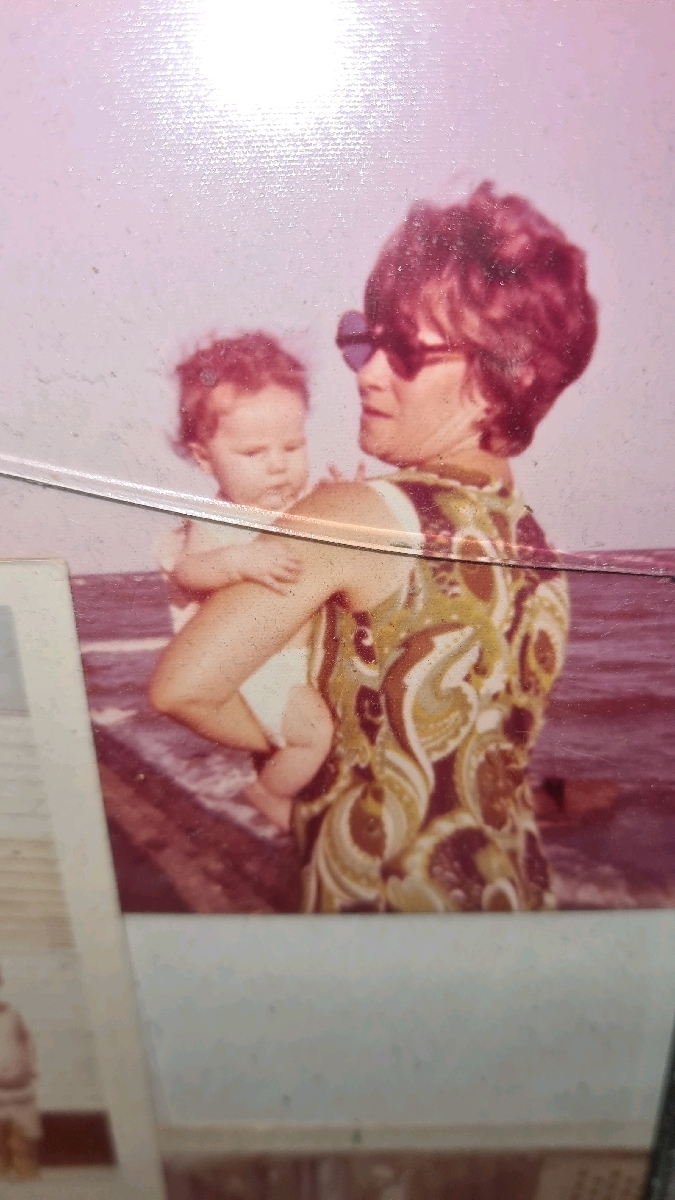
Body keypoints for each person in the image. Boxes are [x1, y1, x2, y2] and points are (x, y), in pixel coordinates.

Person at [150, 182, 598, 913]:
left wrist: (289, 749)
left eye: (408, 352)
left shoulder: (349, 515)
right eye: (365, 337)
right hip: (509, 898)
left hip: (378, 904)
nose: (366, 371)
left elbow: (180, 688)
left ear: (496, 380)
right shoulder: (529, 539)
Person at [154, 332, 333, 832]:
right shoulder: (220, 521)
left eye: (292, 446)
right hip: (261, 667)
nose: (278, 465)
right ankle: (270, 792)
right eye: (254, 453)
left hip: (304, 658)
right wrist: (238, 561)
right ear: (204, 459)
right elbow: (189, 570)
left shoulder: (294, 506)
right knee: (314, 734)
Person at [0, 971, 40, 1179]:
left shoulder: (13, 1014)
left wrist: (29, 1067)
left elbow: (26, 1040)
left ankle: (26, 1170)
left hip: (17, 1083)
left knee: (23, 1133)